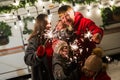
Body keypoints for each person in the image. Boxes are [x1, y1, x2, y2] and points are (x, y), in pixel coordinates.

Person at [24, 14, 54, 80]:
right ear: (40, 25)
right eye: (46, 24)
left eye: (50, 23)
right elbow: (27, 59)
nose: (49, 26)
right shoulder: (34, 40)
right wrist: (38, 55)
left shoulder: (53, 37)